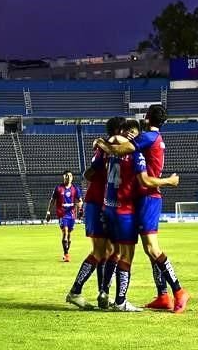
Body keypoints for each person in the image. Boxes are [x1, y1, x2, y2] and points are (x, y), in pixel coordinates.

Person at [95, 104, 190, 313]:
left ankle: (179, 291)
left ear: (146, 119)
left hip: (149, 197)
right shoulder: (152, 139)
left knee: (151, 248)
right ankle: (163, 295)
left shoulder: (148, 138)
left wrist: (102, 143)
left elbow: (120, 149)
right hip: (140, 199)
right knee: (147, 252)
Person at [65, 116, 121, 311]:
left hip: (106, 204)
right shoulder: (106, 150)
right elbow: (90, 173)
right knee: (103, 251)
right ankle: (77, 290)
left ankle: (103, 293)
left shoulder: (110, 149)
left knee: (110, 251)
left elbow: (89, 173)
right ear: (118, 131)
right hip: (97, 203)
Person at [45, 170, 83, 262]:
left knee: (69, 235)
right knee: (65, 232)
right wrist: (48, 212)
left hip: (72, 215)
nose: (68, 177)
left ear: (72, 177)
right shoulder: (58, 188)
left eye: (70, 176)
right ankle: (66, 255)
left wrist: (81, 209)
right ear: (63, 177)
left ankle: (66, 252)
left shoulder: (75, 188)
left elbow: (80, 200)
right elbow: (52, 200)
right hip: (62, 214)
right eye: (66, 176)